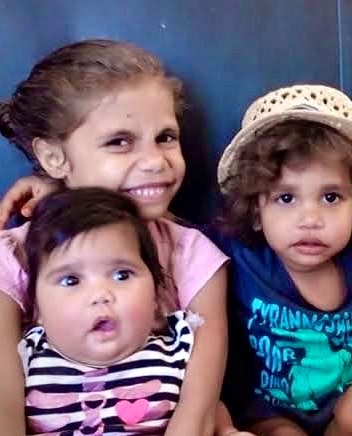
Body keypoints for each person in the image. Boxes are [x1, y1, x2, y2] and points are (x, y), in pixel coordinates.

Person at [0, 39, 229, 435]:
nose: (156, 161)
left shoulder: (193, 255)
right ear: (55, 158)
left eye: (166, 137)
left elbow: (198, 409)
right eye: (119, 142)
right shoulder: (14, 257)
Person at [206, 84, 352, 436]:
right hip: (272, 415)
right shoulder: (237, 253)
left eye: (331, 196)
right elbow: (169, 240)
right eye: (287, 198)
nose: (310, 218)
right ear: (256, 211)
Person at [21, 187, 201, 434]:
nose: (100, 295)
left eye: (121, 275)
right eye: (71, 280)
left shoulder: (178, 353)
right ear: (37, 309)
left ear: (156, 298)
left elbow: (209, 408)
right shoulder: (25, 360)